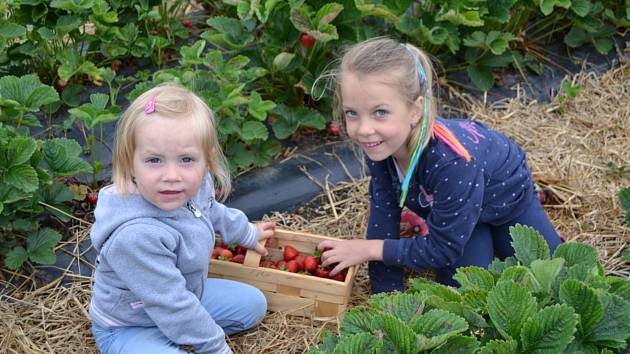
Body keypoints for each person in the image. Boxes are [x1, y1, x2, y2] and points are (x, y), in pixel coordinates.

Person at [316, 37, 562, 293]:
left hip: (506, 202)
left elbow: (442, 248)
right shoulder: (380, 146)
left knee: (550, 279)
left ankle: (488, 229)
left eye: (380, 112)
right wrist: (386, 296)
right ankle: (462, 228)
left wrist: (368, 250)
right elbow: (384, 218)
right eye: (352, 113)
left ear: (415, 110)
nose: (365, 130)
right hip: (458, 203)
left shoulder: (450, 162)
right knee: (461, 292)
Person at [89, 83, 275, 353]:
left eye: (187, 159)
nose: (172, 175)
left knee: (252, 304)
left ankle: (181, 333)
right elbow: (171, 303)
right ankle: (163, 339)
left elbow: (210, 210)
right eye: (154, 160)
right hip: (130, 324)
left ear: (206, 161)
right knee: (177, 323)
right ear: (130, 162)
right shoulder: (134, 235)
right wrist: (216, 347)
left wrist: (247, 233)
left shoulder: (193, 186)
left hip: (185, 294)